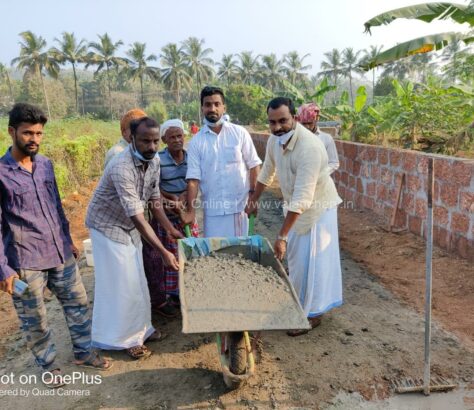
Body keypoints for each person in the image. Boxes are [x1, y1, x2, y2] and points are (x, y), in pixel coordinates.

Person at [0, 103, 111, 388]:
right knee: (35, 319)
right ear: (12, 132)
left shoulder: (46, 165)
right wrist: (4, 270)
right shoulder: (1, 173)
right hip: (26, 261)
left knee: (78, 305)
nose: (34, 139)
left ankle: (84, 353)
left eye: (38, 133)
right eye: (27, 133)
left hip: (60, 252)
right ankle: (48, 365)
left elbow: (56, 207)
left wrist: (68, 239)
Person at [86, 117, 183, 360]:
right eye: (144, 141)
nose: (151, 147)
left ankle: (142, 330)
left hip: (128, 225)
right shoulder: (122, 167)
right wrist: (164, 251)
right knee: (123, 284)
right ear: (131, 138)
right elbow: (139, 218)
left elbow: (154, 200)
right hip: (107, 226)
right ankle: (124, 339)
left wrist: (169, 228)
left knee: (138, 279)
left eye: (154, 141)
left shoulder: (155, 160)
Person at [246, 97, 343, 336]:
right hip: (297, 207)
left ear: (295, 119)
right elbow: (267, 171)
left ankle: (313, 313)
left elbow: (303, 196)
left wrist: (282, 236)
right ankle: (299, 305)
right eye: (272, 122)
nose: (277, 127)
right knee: (298, 262)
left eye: (283, 121)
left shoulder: (309, 147)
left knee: (314, 264)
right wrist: (253, 199)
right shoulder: (274, 141)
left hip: (318, 210)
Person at [183, 86, 262, 237]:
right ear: (202, 108)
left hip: (239, 209)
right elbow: (193, 180)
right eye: (207, 105)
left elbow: (254, 165)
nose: (212, 108)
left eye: (217, 104)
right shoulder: (196, 142)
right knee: (215, 256)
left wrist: (253, 198)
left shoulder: (239, 133)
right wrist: (191, 211)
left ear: (224, 107)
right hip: (212, 212)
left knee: (240, 255)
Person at [142, 119, 199, 317]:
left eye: (179, 136)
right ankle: (174, 295)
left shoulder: (191, 157)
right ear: (164, 139)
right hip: (166, 215)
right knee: (170, 256)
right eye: (172, 137)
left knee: (190, 253)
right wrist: (171, 199)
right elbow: (153, 187)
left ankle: (189, 290)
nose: (177, 140)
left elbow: (194, 182)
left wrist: (184, 198)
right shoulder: (157, 159)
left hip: (186, 214)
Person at [296, 103, 339, 174]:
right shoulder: (295, 138)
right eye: (303, 123)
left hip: (320, 182)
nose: (307, 126)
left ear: (316, 120)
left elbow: (334, 163)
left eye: (310, 123)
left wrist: (320, 175)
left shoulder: (327, 139)